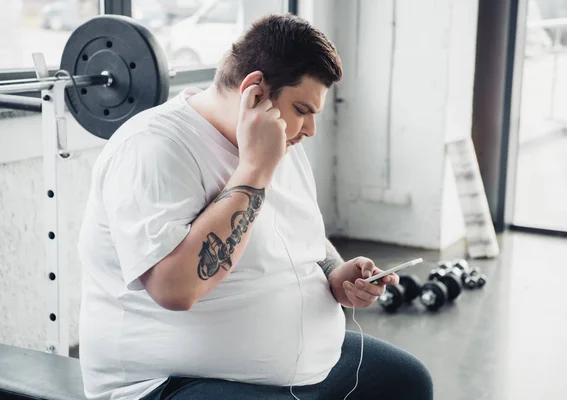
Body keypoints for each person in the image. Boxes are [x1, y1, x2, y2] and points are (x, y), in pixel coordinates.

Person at [77, 13, 433, 400]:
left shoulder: (283, 138)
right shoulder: (151, 148)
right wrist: (253, 170)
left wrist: (336, 272)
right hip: (170, 381)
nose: (311, 129)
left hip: (302, 364)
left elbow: (304, 234)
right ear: (255, 92)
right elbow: (175, 289)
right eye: (303, 110)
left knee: (407, 382)